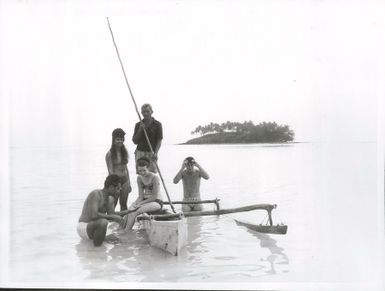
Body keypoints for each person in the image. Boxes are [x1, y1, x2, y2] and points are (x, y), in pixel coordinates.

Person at [77, 174, 128, 246]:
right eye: (118, 188)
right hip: (84, 227)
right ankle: (96, 250)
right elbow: (94, 215)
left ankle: (100, 254)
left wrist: (129, 212)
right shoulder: (96, 194)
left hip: (95, 227)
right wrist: (113, 217)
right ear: (111, 187)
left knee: (118, 242)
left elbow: (112, 214)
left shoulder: (110, 199)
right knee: (103, 222)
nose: (119, 191)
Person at [122, 158, 163, 230]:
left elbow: (154, 197)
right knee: (129, 211)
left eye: (144, 170)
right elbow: (140, 196)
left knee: (135, 212)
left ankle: (126, 232)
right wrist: (134, 204)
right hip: (145, 200)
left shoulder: (154, 178)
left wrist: (140, 203)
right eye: (140, 171)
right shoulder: (139, 178)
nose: (142, 172)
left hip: (156, 201)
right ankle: (121, 230)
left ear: (148, 168)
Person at [105, 128, 132, 211]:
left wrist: (129, 182)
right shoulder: (109, 154)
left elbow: (126, 168)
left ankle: (124, 222)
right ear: (113, 140)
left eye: (121, 139)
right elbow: (110, 171)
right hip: (115, 182)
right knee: (113, 204)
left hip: (125, 181)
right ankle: (110, 221)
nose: (120, 141)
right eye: (117, 139)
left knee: (124, 204)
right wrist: (115, 184)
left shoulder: (124, 151)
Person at [132, 104, 163, 173]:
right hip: (140, 153)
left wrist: (156, 153)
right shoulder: (138, 124)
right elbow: (135, 141)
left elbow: (159, 140)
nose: (145, 113)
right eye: (143, 112)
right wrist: (140, 129)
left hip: (151, 153)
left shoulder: (157, 124)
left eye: (147, 111)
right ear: (141, 113)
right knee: (141, 174)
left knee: (152, 174)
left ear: (152, 112)